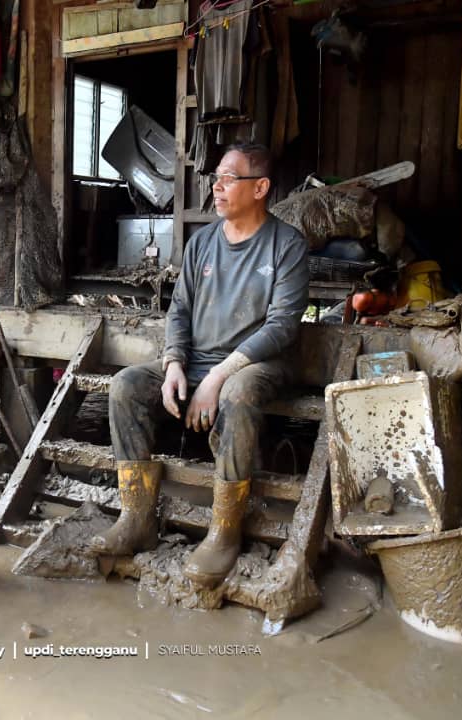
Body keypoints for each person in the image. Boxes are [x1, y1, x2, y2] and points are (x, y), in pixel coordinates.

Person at [90, 143, 309, 588]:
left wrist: (217, 376)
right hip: (199, 363)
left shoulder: (286, 245)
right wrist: (173, 362)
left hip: (258, 364)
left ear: (260, 188)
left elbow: (283, 326)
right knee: (127, 385)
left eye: (229, 178)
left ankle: (225, 530)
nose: (217, 186)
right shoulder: (203, 243)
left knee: (238, 393)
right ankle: (137, 517)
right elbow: (180, 311)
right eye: (216, 178)